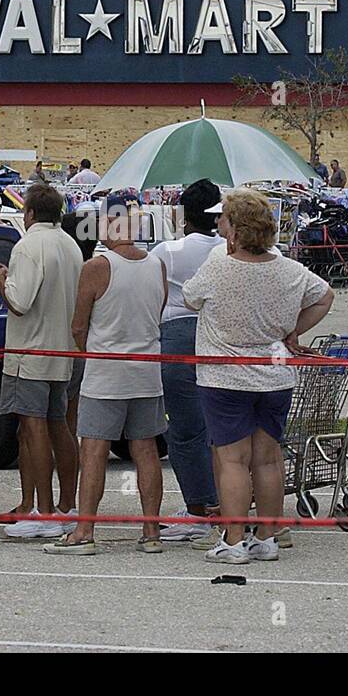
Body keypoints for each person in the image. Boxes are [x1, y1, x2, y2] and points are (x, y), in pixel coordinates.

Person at [182, 189, 334, 564]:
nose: (218, 224)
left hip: (225, 376)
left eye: (224, 219)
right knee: (268, 458)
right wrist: (293, 331)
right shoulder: (289, 269)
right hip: (275, 375)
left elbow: (190, 297)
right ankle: (266, 535)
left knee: (232, 460)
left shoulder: (218, 266)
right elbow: (325, 296)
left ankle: (233, 539)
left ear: (235, 231)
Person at [46, 196, 168, 555]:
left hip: (106, 372)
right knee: (145, 449)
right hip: (147, 370)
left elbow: (79, 324)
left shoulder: (97, 266)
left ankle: (85, 530)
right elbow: (156, 312)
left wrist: (89, 349)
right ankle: (150, 532)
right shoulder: (156, 264)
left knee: (95, 450)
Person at [0, 182, 82, 539]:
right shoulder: (70, 245)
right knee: (60, 427)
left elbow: (20, 302)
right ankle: (66, 506)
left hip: (31, 352)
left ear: (28, 213)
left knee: (34, 427)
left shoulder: (28, 246)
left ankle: (42, 510)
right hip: (63, 350)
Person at [149, 179, 223, 543]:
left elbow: (156, 298)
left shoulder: (169, 251)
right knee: (220, 426)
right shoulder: (228, 249)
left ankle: (199, 507)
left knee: (184, 429)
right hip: (220, 337)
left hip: (177, 333)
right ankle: (221, 499)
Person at [59, 211, 99, 466]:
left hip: (64, 349)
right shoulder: (95, 269)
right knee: (71, 417)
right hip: (84, 352)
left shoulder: (72, 269)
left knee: (55, 418)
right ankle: (71, 461)